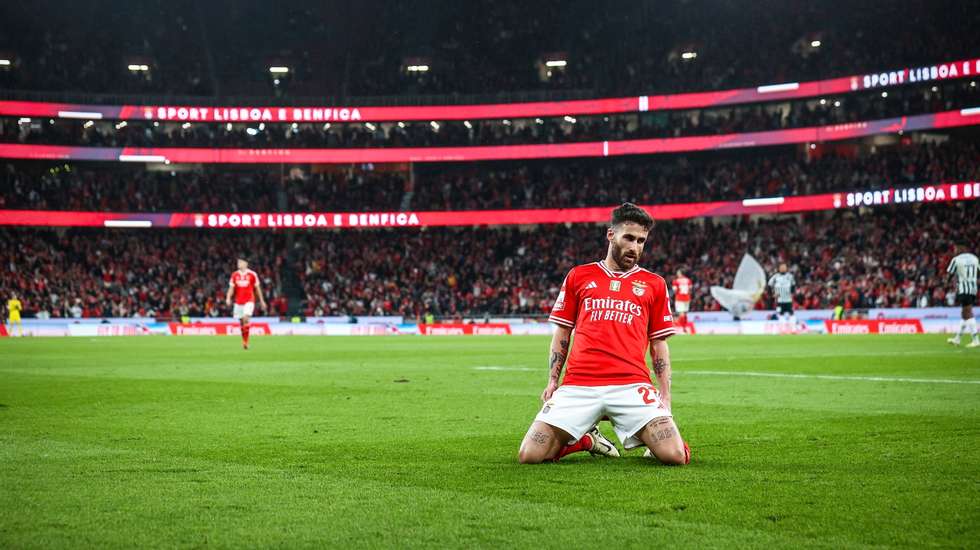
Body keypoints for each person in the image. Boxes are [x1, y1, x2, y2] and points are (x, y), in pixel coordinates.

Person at [518, 203, 690, 465]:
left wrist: (664, 395)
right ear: (611, 235)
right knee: (530, 454)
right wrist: (553, 381)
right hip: (579, 384)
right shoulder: (579, 276)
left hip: (632, 384)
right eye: (629, 238)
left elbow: (658, 344)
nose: (635, 247)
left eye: (641, 241)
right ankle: (586, 440)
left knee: (675, 456)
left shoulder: (654, 284)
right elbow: (562, 332)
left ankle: (653, 439)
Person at [225, 258, 267, 350]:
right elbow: (231, 288)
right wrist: (228, 298)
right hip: (238, 301)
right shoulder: (234, 275)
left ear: (246, 263)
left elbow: (257, 288)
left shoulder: (252, 274)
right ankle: (244, 340)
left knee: (245, 318)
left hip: (249, 300)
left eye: (240, 262)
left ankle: (246, 342)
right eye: (238, 262)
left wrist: (262, 301)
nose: (238, 264)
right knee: (241, 322)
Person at [945, 244, 978, 348]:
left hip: (963, 289)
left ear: (961, 248)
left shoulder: (956, 259)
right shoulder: (975, 258)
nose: (954, 250)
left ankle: (976, 339)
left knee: (967, 313)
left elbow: (950, 274)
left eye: (955, 248)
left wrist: (947, 283)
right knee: (964, 313)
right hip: (973, 289)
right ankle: (957, 339)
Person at [768, 263, 796, 332]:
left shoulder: (790, 276)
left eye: (784, 267)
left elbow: (793, 285)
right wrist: (772, 294)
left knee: (791, 314)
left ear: (786, 268)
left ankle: (793, 330)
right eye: (781, 267)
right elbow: (769, 285)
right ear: (779, 268)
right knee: (780, 314)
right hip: (779, 300)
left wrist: (792, 293)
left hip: (788, 299)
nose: (783, 268)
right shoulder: (775, 277)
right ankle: (782, 330)